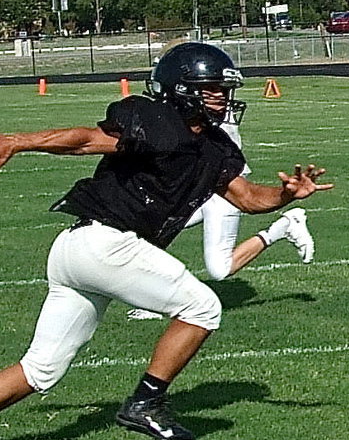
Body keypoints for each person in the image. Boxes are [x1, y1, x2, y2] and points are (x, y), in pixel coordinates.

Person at [0, 42, 332, 440]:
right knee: (203, 308)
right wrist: (20, 142)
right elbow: (85, 141)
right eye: (210, 89)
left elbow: (245, 197)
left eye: (223, 89)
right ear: (182, 89)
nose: (222, 97)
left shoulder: (215, 146)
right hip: (105, 244)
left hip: (78, 251)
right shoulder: (154, 119)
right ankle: (145, 402)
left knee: (42, 369)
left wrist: (285, 195)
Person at [125, 106, 314, 321]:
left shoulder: (208, 112)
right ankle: (155, 298)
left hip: (225, 187)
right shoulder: (191, 109)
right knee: (151, 228)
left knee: (219, 269)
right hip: (198, 183)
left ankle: (284, 227)